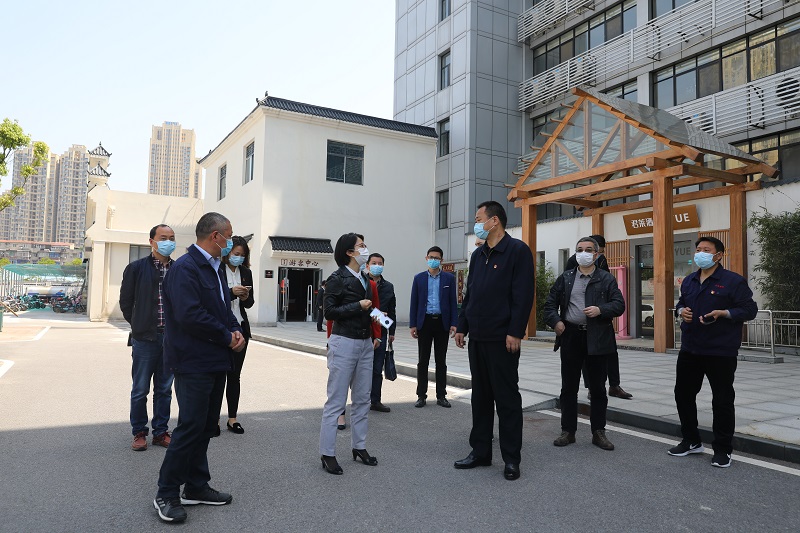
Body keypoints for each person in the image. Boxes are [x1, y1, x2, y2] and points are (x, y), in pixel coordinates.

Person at [153, 212, 245, 523]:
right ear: (215, 236)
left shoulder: (215, 267)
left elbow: (222, 308)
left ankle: (195, 486)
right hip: (193, 360)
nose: (230, 241)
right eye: (228, 235)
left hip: (215, 359)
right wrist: (225, 335)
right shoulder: (186, 268)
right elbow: (189, 315)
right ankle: (166, 492)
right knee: (190, 427)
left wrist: (235, 329)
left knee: (205, 427)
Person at [453, 201, 535, 481]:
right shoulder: (478, 255)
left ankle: (511, 459)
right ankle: (480, 452)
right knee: (481, 398)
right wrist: (462, 326)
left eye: (479, 219)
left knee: (507, 399)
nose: (476, 224)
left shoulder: (517, 251)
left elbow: (523, 294)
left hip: (502, 339)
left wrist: (515, 331)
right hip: (477, 337)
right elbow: (470, 294)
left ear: (495, 221)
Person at [668, 236, 757, 468]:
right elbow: (680, 303)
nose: (701, 253)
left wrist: (724, 313)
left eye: (706, 250)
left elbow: (750, 309)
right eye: (698, 249)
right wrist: (681, 311)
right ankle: (691, 440)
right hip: (690, 347)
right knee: (683, 394)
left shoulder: (733, 281)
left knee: (722, 400)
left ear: (718, 255)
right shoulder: (689, 280)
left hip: (720, 350)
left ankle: (723, 449)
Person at [544, 236, 625, 452]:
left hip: (597, 337)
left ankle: (598, 432)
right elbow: (549, 305)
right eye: (579, 249)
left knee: (598, 388)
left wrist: (601, 310)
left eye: (588, 250)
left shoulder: (606, 279)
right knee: (568, 387)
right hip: (570, 335)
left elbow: (619, 304)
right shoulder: (566, 278)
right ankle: (568, 431)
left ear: (596, 254)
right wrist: (556, 322)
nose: (583, 253)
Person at [319, 233, 382, 475]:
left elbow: (371, 309)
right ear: (349, 252)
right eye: (361, 246)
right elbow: (329, 312)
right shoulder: (337, 278)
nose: (365, 249)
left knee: (362, 399)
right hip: (344, 341)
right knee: (336, 401)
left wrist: (382, 323)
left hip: (365, 343)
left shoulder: (366, 278)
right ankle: (327, 453)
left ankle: (359, 446)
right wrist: (357, 306)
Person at [120, 224, 176, 451]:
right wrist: (139, 325)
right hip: (145, 339)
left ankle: (161, 432)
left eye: (171, 238)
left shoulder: (179, 269)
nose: (168, 242)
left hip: (171, 339)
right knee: (140, 389)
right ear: (152, 241)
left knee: (164, 389)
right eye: (163, 238)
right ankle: (139, 432)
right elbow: (126, 302)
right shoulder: (136, 268)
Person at [565, 234, 632, 400]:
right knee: (587, 357)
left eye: (600, 252)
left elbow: (609, 287)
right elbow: (568, 288)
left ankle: (614, 385)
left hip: (601, 318)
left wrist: (602, 309)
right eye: (599, 251)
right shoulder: (574, 261)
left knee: (611, 353)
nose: (599, 255)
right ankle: (591, 387)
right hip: (583, 319)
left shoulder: (602, 262)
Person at [409, 246, 457, 408]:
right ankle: (421, 395)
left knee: (441, 361)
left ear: (441, 260)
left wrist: (454, 323)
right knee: (423, 361)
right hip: (425, 322)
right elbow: (414, 302)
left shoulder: (449, 279)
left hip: (442, 322)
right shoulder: (419, 278)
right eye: (431, 257)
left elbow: (453, 302)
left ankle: (441, 395)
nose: (433, 260)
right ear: (426, 258)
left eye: (436, 258)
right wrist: (413, 324)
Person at [220, 236, 254, 435]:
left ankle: (232, 418)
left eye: (242, 255)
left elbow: (249, 304)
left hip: (241, 327)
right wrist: (232, 292)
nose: (239, 258)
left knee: (235, 375)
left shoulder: (246, 272)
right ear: (228, 253)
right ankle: (213, 419)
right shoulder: (217, 269)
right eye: (236, 254)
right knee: (218, 376)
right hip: (221, 328)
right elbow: (215, 298)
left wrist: (246, 296)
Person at [366, 253, 396, 412]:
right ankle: (361, 400)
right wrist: (378, 314)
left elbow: (392, 311)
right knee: (362, 369)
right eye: (374, 263)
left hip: (382, 332)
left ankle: (375, 400)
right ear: (367, 265)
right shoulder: (361, 283)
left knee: (377, 369)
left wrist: (392, 332)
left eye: (380, 263)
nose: (377, 266)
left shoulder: (388, 286)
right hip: (363, 331)